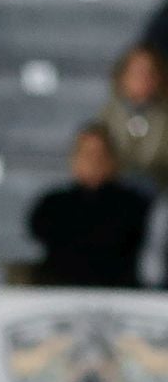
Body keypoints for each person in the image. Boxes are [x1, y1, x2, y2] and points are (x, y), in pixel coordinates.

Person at [27, 126, 152, 289]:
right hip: (59, 294)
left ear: (114, 159)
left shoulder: (136, 206)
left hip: (120, 296)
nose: (94, 161)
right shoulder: (52, 205)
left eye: (100, 154)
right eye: (86, 154)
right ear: (74, 159)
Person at [99, 46, 168, 194]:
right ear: (122, 76)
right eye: (136, 72)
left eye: (149, 72)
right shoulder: (106, 116)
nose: (143, 78)